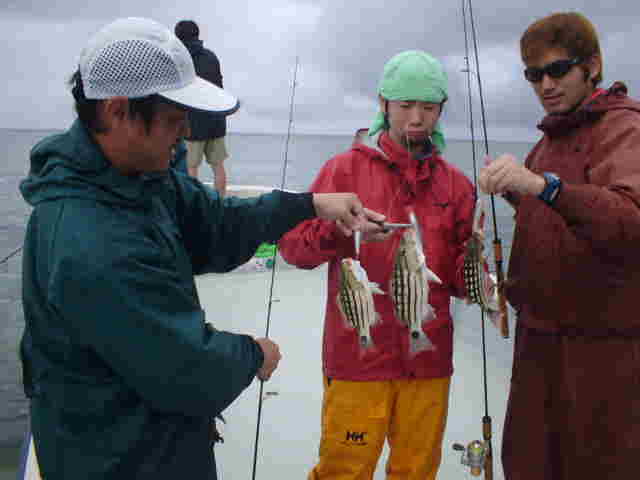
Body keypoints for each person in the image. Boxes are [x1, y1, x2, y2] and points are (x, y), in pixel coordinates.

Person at [19, 17, 380, 480]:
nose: (186, 131)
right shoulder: (90, 241)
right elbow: (186, 371)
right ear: (117, 111)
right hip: (120, 459)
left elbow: (216, 224)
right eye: (174, 119)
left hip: (161, 444)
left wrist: (309, 204)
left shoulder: (139, 177)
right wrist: (254, 355)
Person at [279, 50, 475, 480]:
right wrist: (337, 231)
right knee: (343, 471)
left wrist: (480, 272)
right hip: (357, 358)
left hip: (429, 360)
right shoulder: (342, 171)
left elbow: (461, 282)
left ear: (441, 109)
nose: (417, 118)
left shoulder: (458, 186)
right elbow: (293, 249)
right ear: (383, 103)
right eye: (406, 105)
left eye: (428, 107)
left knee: (417, 472)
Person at [478, 12, 640, 479]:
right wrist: (517, 191)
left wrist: (544, 187)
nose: (545, 84)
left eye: (557, 69)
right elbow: (552, 214)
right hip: (537, 345)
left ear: (592, 66)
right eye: (533, 74)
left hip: (602, 353)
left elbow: (629, 219)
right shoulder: (549, 140)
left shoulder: (625, 129)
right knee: (526, 464)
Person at [174, 19, 230, 193]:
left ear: (178, 38)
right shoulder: (211, 57)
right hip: (216, 120)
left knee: (191, 169)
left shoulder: (180, 60)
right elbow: (219, 88)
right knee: (218, 167)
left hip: (193, 125)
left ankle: (193, 204)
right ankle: (220, 202)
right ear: (197, 35)